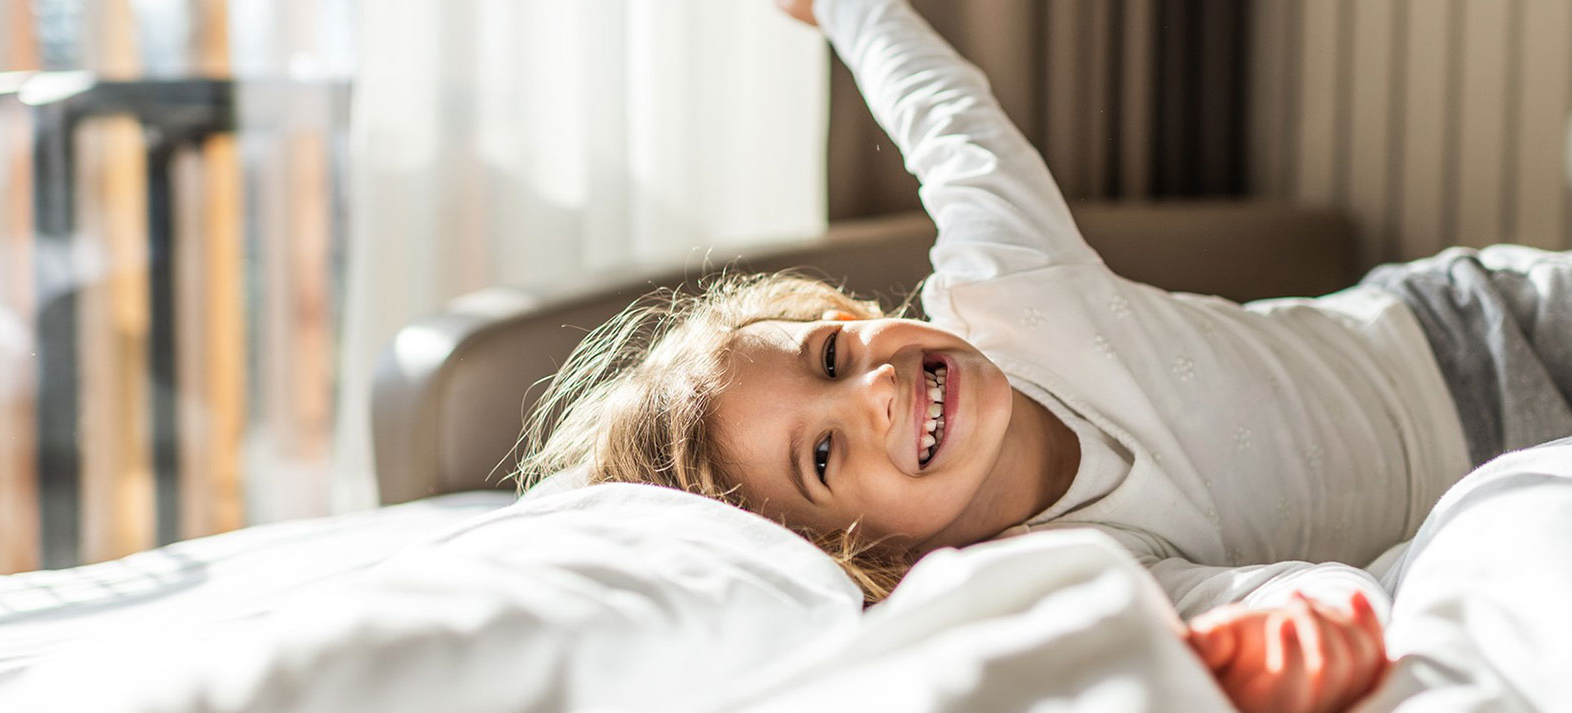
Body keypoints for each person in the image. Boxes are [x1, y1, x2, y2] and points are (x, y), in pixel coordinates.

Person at [518, 0, 1572, 711]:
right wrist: (1289, 638)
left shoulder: (1007, 289)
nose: (876, 392)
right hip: (1505, 478)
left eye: (834, 353)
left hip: (1475, 321)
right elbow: (1249, 595)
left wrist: (846, 8)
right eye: (826, 456)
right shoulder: (1064, 566)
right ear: (870, 554)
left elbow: (950, 121)